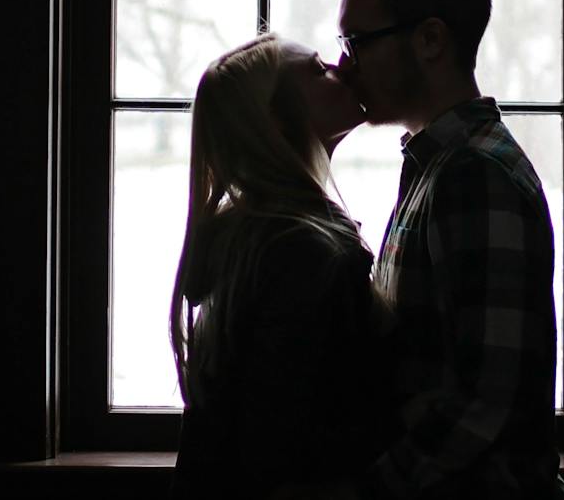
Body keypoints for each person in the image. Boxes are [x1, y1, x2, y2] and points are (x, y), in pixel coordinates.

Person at [297, 0, 564, 499]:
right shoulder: (438, 165)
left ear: (429, 40)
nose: (345, 66)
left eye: (357, 40)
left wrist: (359, 495)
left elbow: (480, 404)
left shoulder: (474, 176)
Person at [170, 33, 399, 500]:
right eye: (317, 70)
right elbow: (285, 446)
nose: (341, 67)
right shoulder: (306, 253)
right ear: (276, 121)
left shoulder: (259, 240)